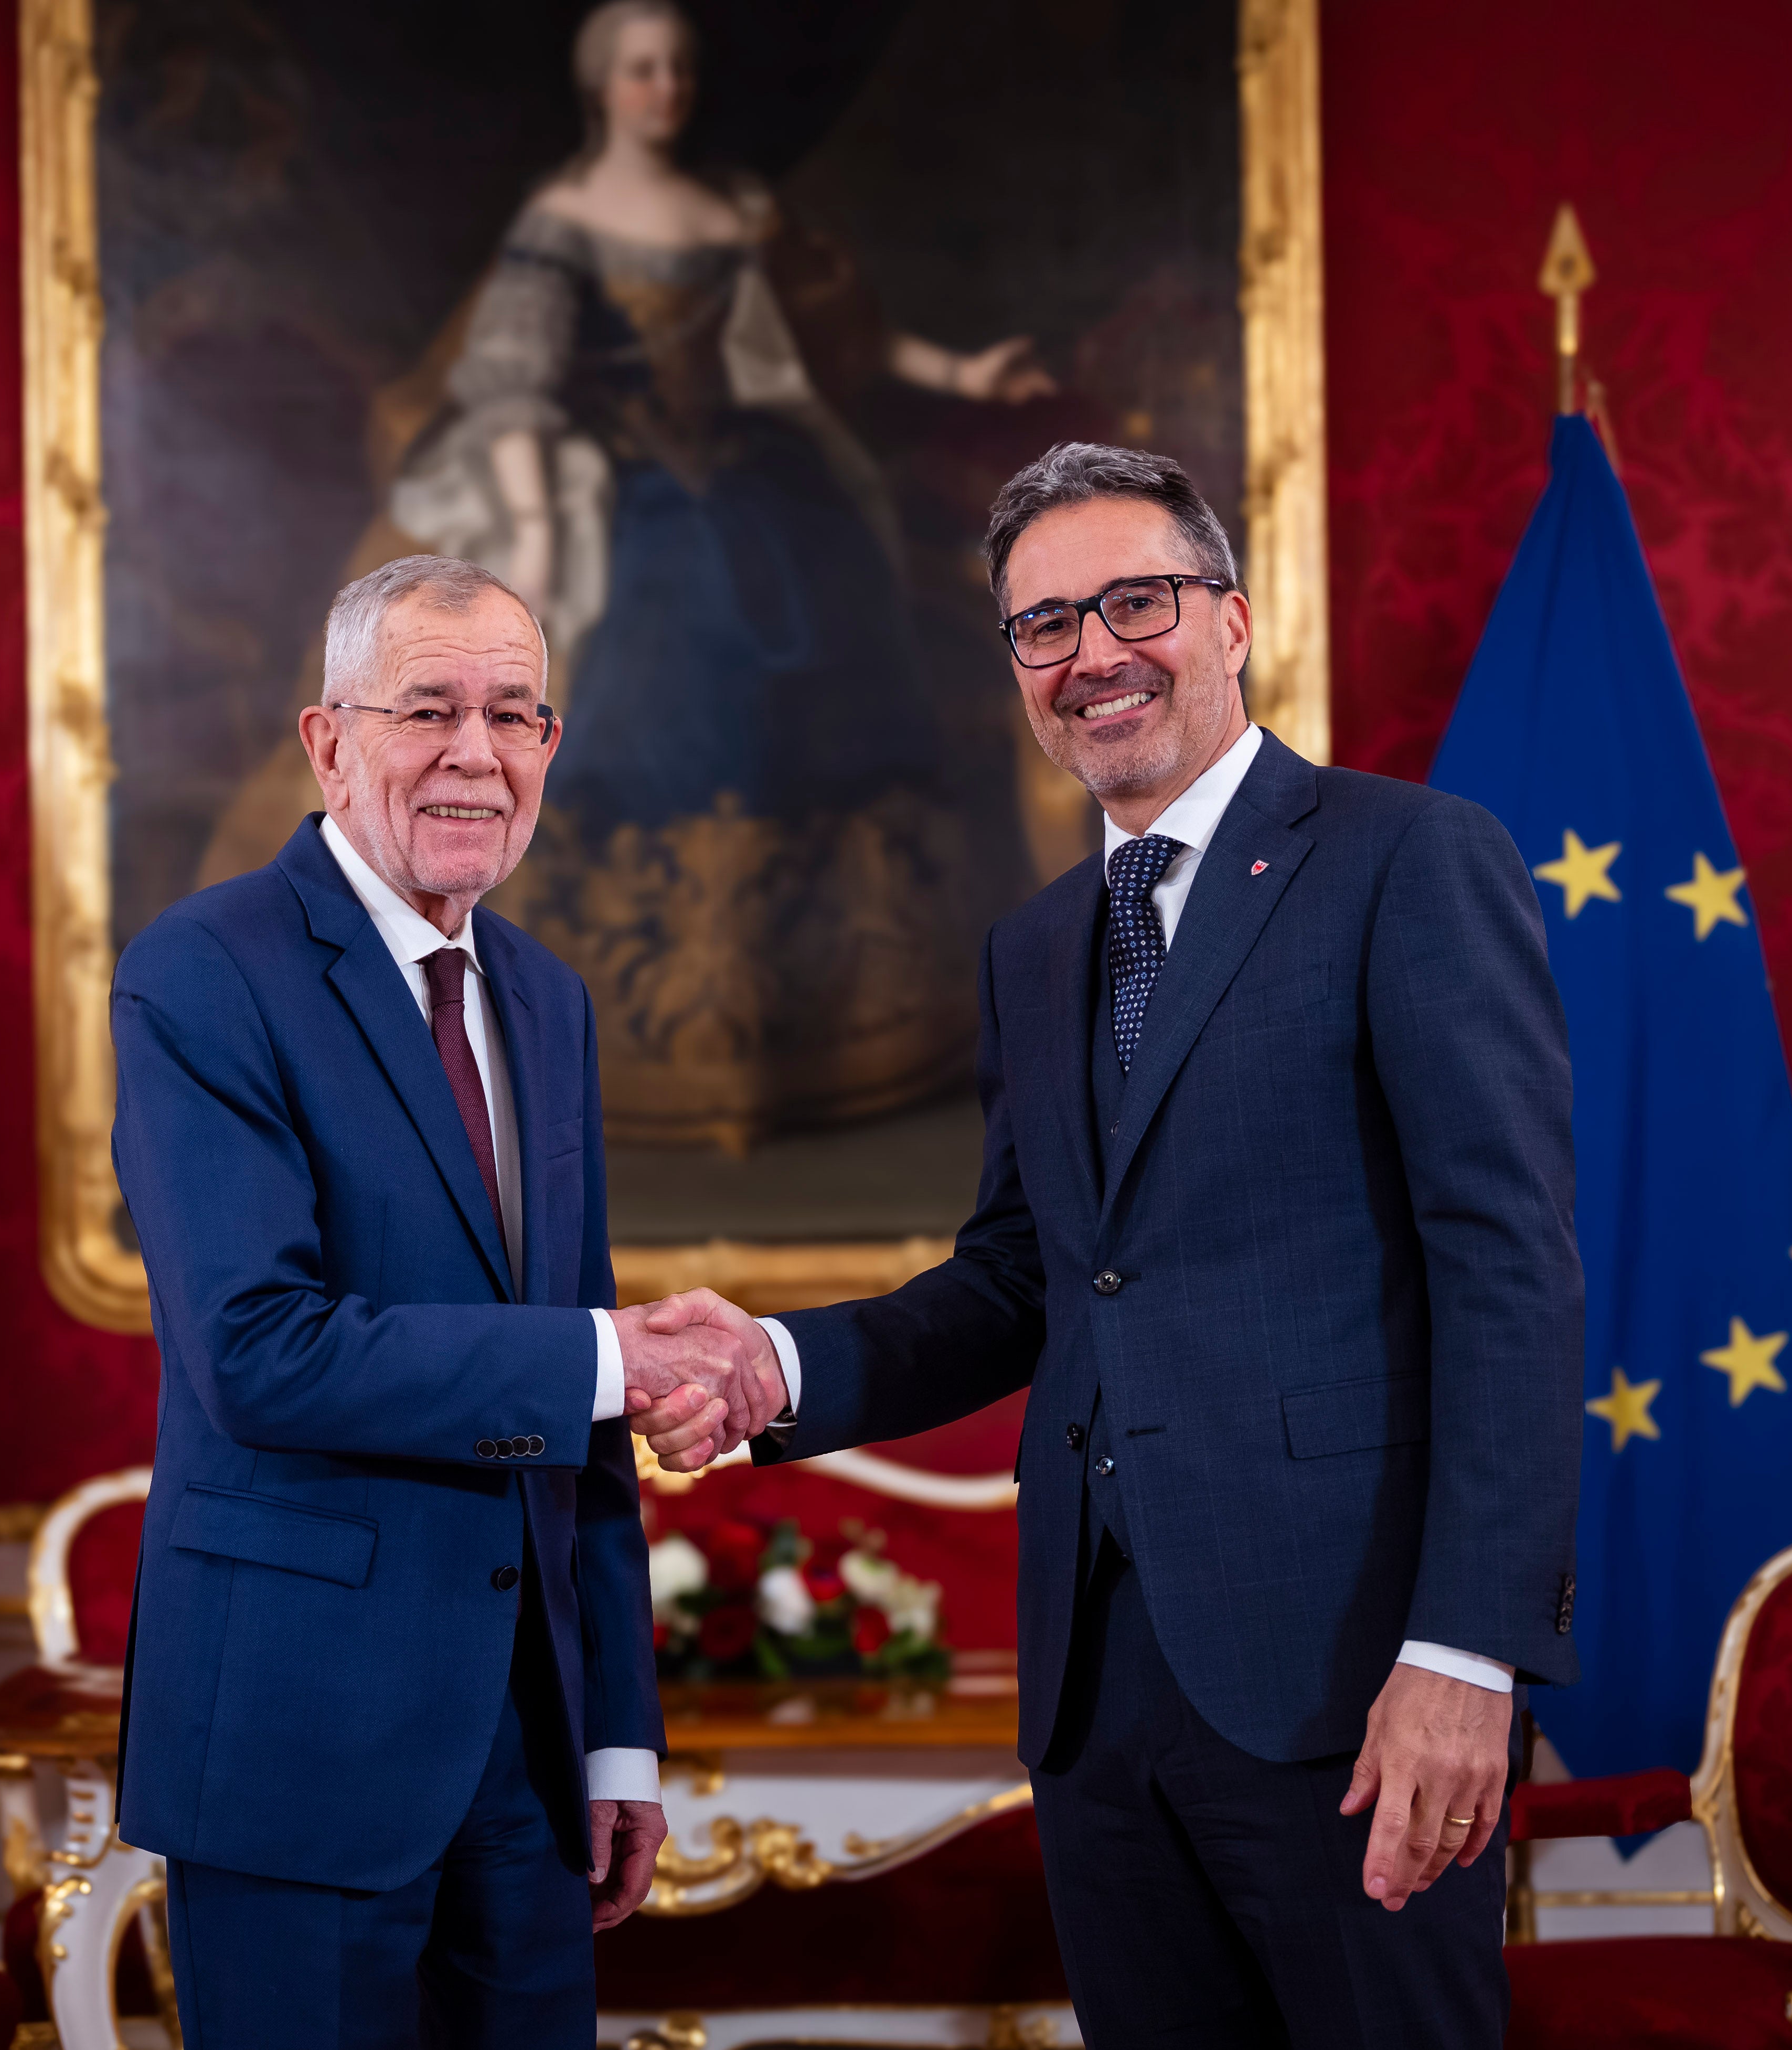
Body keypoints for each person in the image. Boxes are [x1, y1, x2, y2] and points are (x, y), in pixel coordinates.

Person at [631, 445, 1584, 2045]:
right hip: (1098, 1694)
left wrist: (1466, 1647)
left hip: (1354, 1674)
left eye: (1134, 601)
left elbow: (1511, 1272)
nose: (1092, 654)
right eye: (1044, 624)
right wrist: (772, 1363)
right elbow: (1025, 1278)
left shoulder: (1407, 860)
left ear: (1231, 620)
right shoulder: (1040, 942)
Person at [110, 555, 782, 2049]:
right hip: (299, 1749)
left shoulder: (547, 995)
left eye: (517, 713)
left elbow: (577, 1368)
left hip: (530, 1762)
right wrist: (610, 1356)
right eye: (428, 708)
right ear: (327, 739)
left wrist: (616, 1735)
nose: (478, 751)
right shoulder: (202, 972)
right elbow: (258, 1352)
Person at [391, 0, 1053, 1153]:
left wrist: (962, 369)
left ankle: (836, 1014)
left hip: (762, 481)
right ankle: (632, 1035)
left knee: (842, 652)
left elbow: (832, 340)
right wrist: (538, 524)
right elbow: (511, 380)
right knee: (659, 672)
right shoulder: (562, 220)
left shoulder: (735, 211)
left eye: (680, 69)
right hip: (626, 490)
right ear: (601, 85)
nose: (666, 89)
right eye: (644, 70)